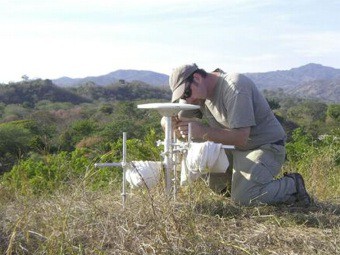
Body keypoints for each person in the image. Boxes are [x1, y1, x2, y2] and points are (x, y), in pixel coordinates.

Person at [168, 63, 311, 206]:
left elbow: (241, 137)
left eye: (186, 93)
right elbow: (179, 120)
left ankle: (292, 185)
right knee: (198, 162)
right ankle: (237, 188)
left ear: (197, 78)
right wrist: (169, 123)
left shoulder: (235, 87)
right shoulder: (197, 94)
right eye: (182, 96)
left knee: (244, 198)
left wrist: (201, 131)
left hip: (263, 146)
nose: (187, 100)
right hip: (233, 149)